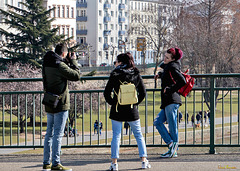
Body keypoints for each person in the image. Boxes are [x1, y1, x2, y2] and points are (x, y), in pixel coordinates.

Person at [104, 52, 151, 170]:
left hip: (117, 109)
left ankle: (114, 164)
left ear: (120, 62)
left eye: (117, 61)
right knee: (138, 135)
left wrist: (113, 102)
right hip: (131, 108)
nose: (115, 63)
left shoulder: (115, 74)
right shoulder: (135, 73)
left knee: (116, 136)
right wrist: (135, 103)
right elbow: (143, 92)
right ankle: (144, 161)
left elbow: (106, 92)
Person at [42, 43, 81, 171]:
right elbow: (76, 75)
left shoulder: (47, 63)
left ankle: (46, 162)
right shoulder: (60, 65)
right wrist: (74, 60)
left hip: (49, 100)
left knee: (49, 134)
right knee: (58, 134)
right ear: (64, 53)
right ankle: (56, 163)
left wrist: (67, 62)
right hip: (61, 102)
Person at [153, 47, 186, 158]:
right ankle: (172, 145)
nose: (164, 59)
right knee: (157, 122)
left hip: (172, 100)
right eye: (165, 56)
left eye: (167, 57)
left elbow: (182, 81)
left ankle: (173, 149)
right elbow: (168, 76)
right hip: (167, 101)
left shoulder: (172, 67)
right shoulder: (169, 67)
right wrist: (160, 75)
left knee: (172, 127)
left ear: (173, 59)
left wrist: (170, 89)